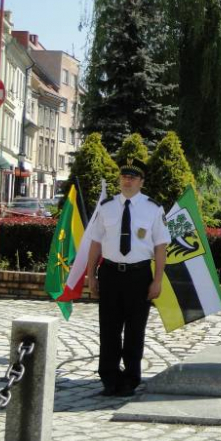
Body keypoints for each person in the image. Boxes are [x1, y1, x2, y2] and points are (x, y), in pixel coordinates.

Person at [87, 158, 171, 397]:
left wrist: (157, 280)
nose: (128, 180)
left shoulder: (153, 209)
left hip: (139, 275)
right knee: (109, 328)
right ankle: (109, 378)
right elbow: (95, 243)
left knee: (135, 330)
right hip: (111, 274)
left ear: (142, 181)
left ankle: (130, 379)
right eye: (124, 176)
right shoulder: (106, 206)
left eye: (133, 177)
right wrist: (91, 276)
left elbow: (161, 247)